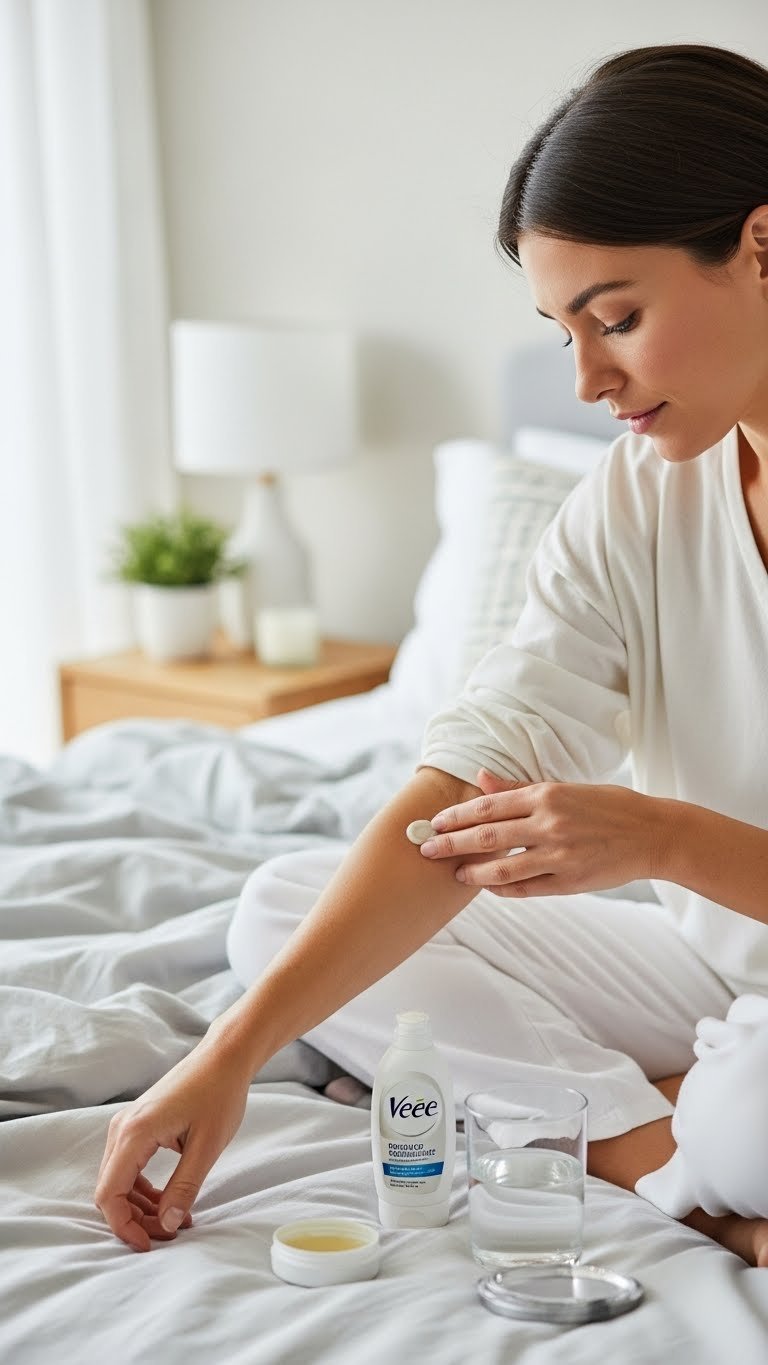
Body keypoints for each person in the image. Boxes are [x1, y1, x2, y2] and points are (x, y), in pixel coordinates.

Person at [94, 42, 768, 1266]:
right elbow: (468, 782)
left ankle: (713, 1135)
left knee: (757, 1111)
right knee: (285, 915)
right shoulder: (634, 499)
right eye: (562, 330)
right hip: (721, 979)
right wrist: (224, 1060)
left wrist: (664, 837)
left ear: (763, 245)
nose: (586, 379)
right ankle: (660, 1159)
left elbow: (666, 840)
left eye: (617, 317)